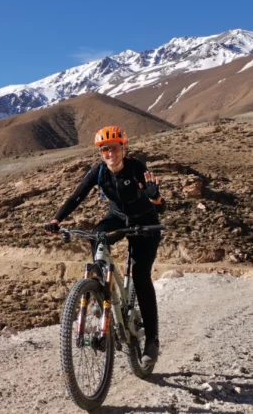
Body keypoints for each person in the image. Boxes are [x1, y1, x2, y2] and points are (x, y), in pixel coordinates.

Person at [44, 125, 166, 365]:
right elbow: (76, 196)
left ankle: (151, 340)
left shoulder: (136, 169)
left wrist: (155, 197)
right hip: (118, 218)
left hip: (145, 224)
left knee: (141, 276)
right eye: (105, 150)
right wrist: (57, 219)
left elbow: (161, 209)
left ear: (123, 148)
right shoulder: (99, 172)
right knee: (97, 235)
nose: (110, 154)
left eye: (114, 149)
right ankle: (100, 288)